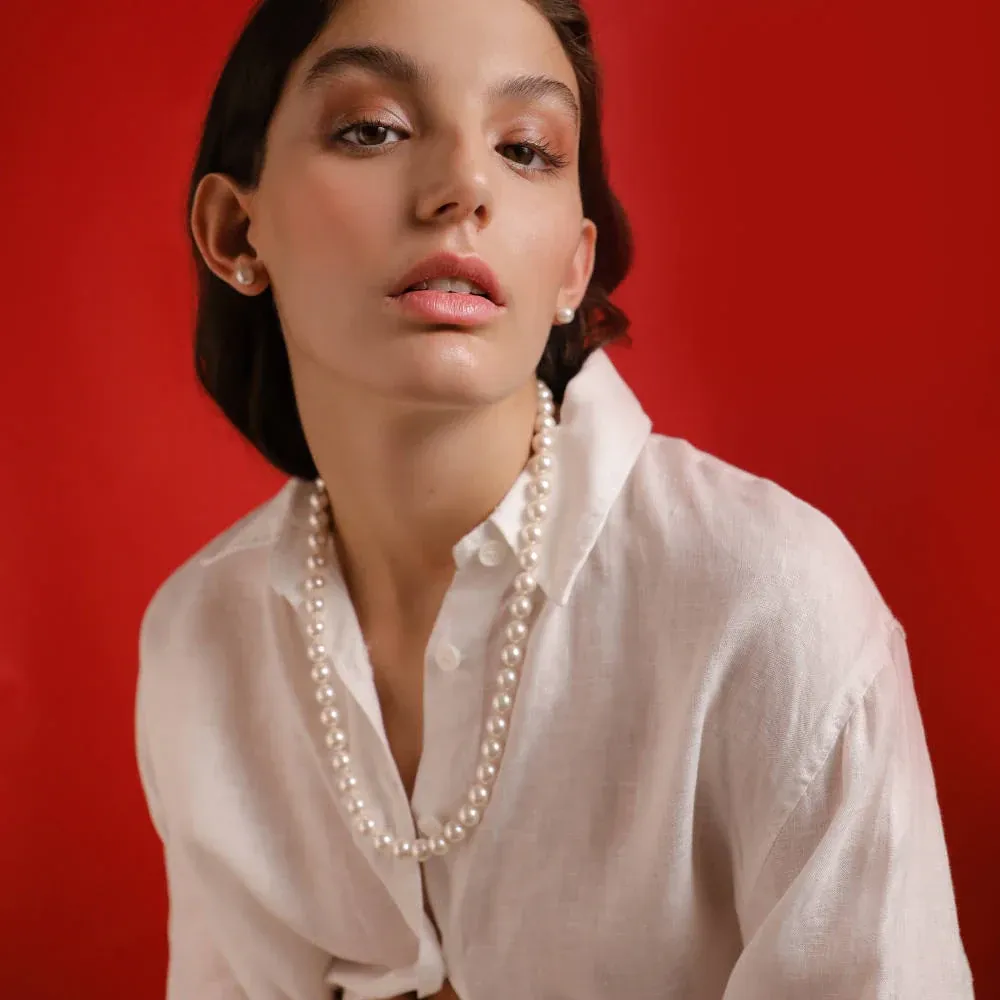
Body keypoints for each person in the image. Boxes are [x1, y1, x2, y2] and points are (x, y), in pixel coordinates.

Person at [134, 0, 975, 997]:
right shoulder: (202, 640)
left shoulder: (765, 605)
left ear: (573, 263)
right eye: (373, 128)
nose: (461, 188)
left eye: (525, 147)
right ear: (238, 229)